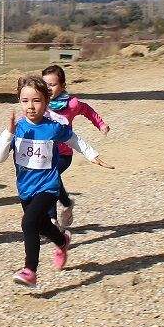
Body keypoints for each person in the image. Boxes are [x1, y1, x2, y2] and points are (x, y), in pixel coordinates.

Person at [0, 74, 100, 288]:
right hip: (25, 188)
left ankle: (30, 271)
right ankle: (62, 241)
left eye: (36, 100)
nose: (30, 107)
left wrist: (93, 155)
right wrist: (8, 133)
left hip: (48, 186)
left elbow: (74, 139)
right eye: (25, 101)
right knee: (41, 225)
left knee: (28, 223)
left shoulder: (53, 127)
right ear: (19, 101)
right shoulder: (17, 129)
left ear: (46, 102)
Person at [42, 64, 111, 228]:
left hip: (64, 154)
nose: (48, 88)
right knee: (48, 181)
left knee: (49, 178)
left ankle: (52, 218)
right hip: (45, 153)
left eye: (52, 85)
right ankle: (66, 204)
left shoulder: (71, 104)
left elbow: (88, 111)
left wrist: (101, 125)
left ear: (63, 86)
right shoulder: (39, 102)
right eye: (45, 84)